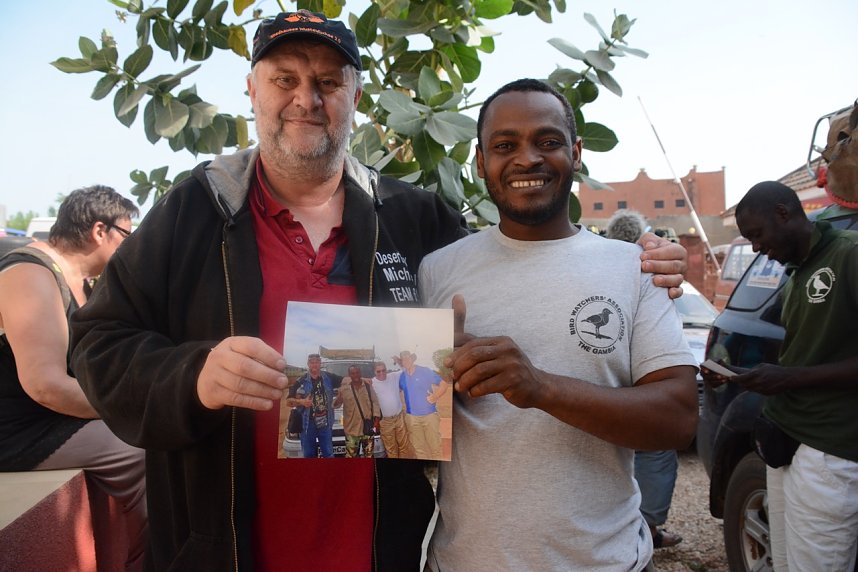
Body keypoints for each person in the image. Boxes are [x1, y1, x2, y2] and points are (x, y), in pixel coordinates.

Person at [69, 11, 688, 572]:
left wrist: (641, 260)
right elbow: (97, 342)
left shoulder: (413, 218)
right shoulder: (195, 210)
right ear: (252, 91)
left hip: (380, 550)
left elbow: (518, 259)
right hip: (224, 549)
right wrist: (193, 376)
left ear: (356, 98)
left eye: (329, 83)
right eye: (285, 79)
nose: (306, 100)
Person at [418, 79, 699, 571]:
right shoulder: (438, 270)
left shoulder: (635, 267)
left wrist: (541, 387)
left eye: (547, 142)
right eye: (505, 146)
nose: (527, 158)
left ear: (576, 152)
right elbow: (412, 424)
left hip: (605, 563)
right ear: (480, 162)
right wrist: (434, 382)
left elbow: (677, 419)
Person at [0, 186, 147, 571]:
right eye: (127, 236)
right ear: (101, 231)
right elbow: (45, 385)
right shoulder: (29, 273)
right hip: (19, 431)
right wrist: (128, 408)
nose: (131, 248)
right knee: (142, 450)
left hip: (51, 422)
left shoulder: (84, 284)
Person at [717, 180, 858, 571]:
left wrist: (789, 378)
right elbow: (804, 356)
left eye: (757, 235)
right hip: (786, 442)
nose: (757, 248)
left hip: (830, 450)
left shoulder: (849, 256)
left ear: (784, 212)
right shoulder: (795, 273)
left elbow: (797, 372)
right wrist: (739, 375)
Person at [606, 209, 683, 549]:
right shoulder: (647, 266)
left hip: (610, 386)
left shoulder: (608, 265)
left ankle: (640, 527)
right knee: (654, 453)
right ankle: (648, 526)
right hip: (643, 383)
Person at [284, 353, 342, 458]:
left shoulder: (329, 377)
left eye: (317, 362)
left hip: (325, 423)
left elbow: (346, 381)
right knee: (309, 455)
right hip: (307, 425)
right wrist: (302, 402)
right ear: (308, 364)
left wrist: (364, 379)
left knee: (329, 454)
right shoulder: (300, 381)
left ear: (320, 363)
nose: (314, 365)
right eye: (312, 362)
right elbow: (288, 401)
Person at [396, 350, 447, 459]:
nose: (406, 361)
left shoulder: (425, 371)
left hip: (429, 416)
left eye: (408, 358)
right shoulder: (402, 377)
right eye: (404, 360)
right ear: (402, 362)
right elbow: (397, 390)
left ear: (412, 359)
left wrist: (435, 396)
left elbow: (443, 384)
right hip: (412, 418)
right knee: (419, 450)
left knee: (435, 449)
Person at [371, 360, 413, 458]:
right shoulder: (372, 382)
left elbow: (406, 368)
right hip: (385, 422)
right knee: (391, 449)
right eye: (378, 371)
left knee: (404, 447)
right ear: (374, 372)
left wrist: (399, 361)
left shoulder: (393, 376)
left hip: (399, 418)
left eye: (383, 370)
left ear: (386, 370)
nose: (381, 373)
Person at [340, 364, 381, 458]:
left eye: (357, 372)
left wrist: (376, 421)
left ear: (360, 373)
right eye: (352, 373)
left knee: (369, 456)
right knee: (351, 457)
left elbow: (375, 402)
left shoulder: (367, 386)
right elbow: (335, 405)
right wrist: (339, 396)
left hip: (368, 429)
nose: (355, 375)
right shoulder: (344, 389)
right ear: (349, 375)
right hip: (351, 430)